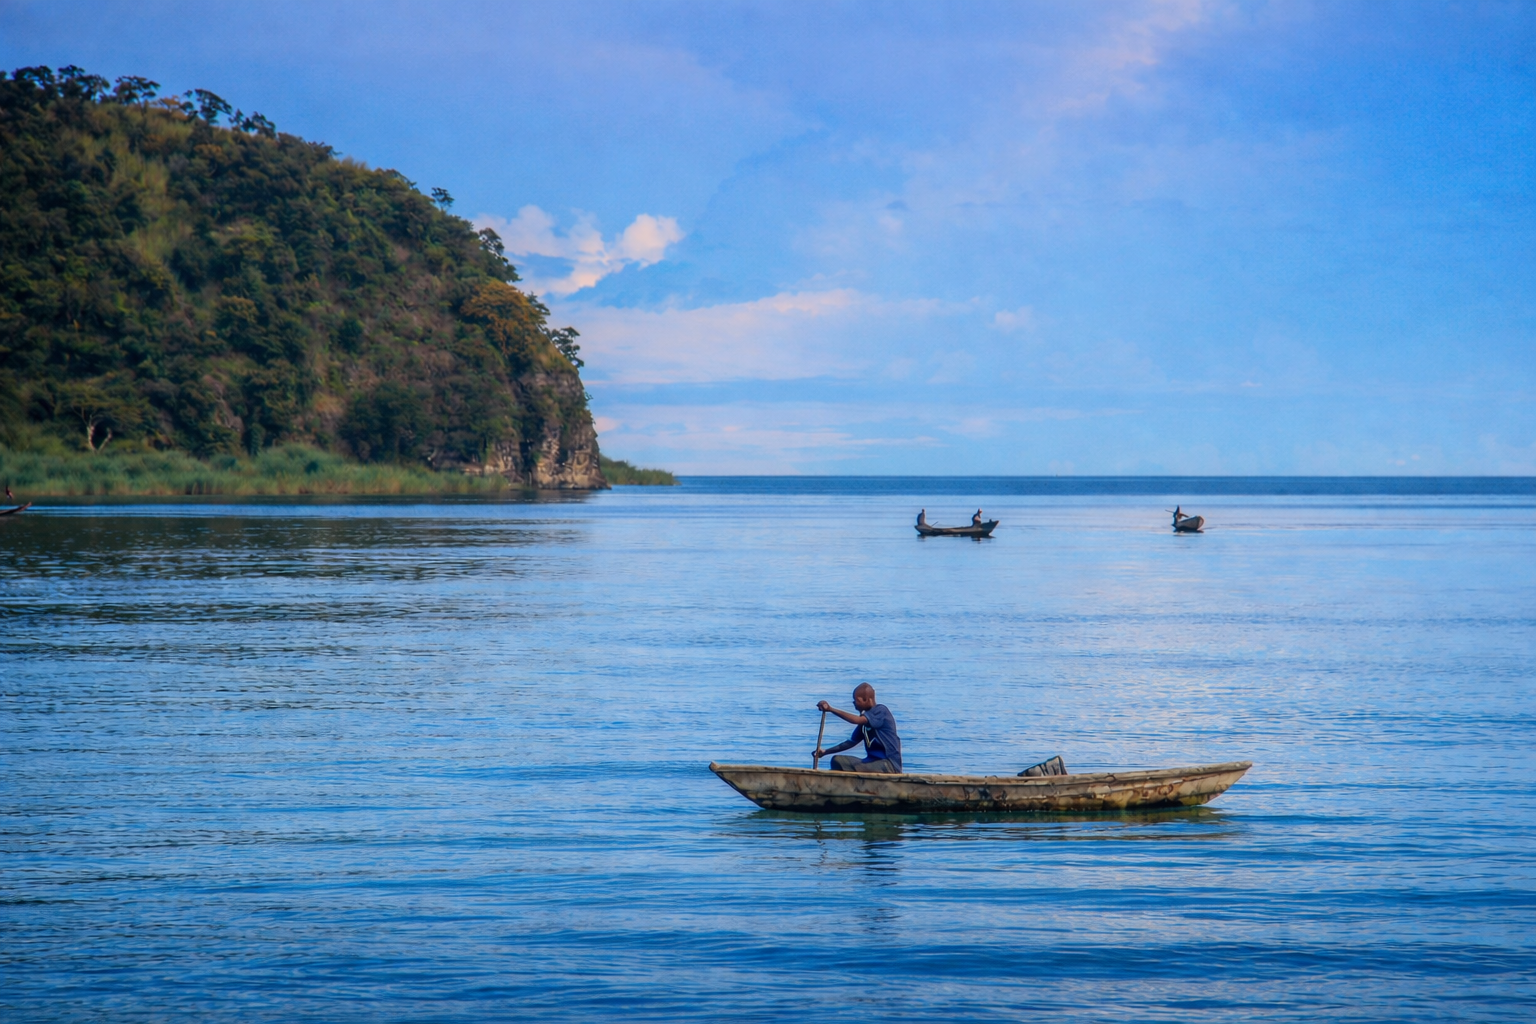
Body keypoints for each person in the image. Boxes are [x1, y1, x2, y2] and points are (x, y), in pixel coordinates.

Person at [814, 683, 902, 773]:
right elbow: (851, 742)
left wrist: (831, 709)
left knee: (839, 762)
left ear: (865, 699)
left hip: (888, 764)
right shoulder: (865, 720)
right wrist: (825, 752)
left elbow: (856, 720)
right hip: (871, 761)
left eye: (856, 700)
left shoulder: (880, 711)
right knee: (837, 761)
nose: (854, 703)